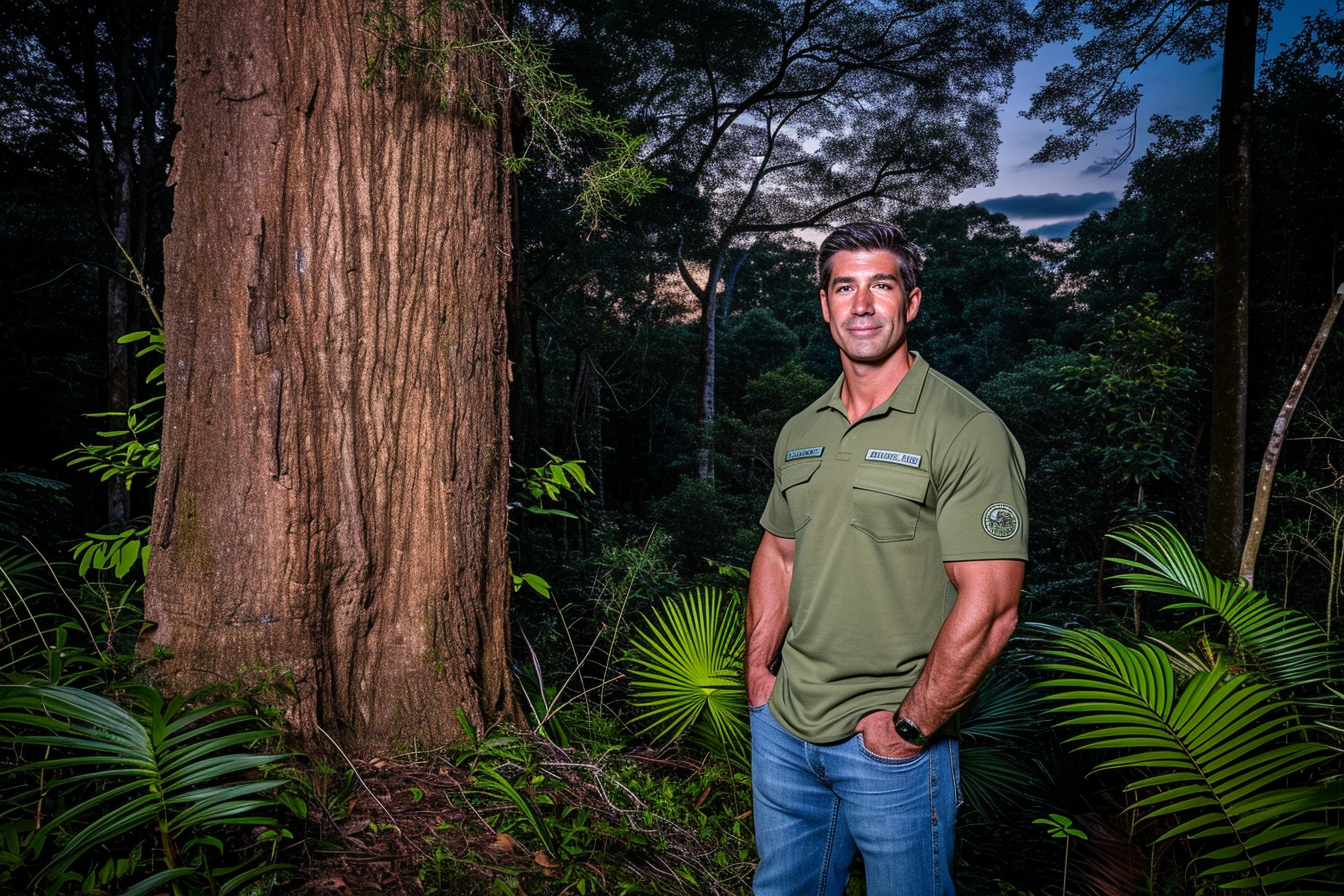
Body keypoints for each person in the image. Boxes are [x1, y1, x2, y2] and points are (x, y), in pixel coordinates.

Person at [745, 221, 1028, 896]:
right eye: (845, 286)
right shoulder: (802, 429)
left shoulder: (966, 430)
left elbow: (991, 609)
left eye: (882, 284)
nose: (863, 304)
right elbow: (779, 553)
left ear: (912, 302)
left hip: (891, 743)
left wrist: (910, 726)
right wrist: (759, 675)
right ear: (824, 305)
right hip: (786, 730)